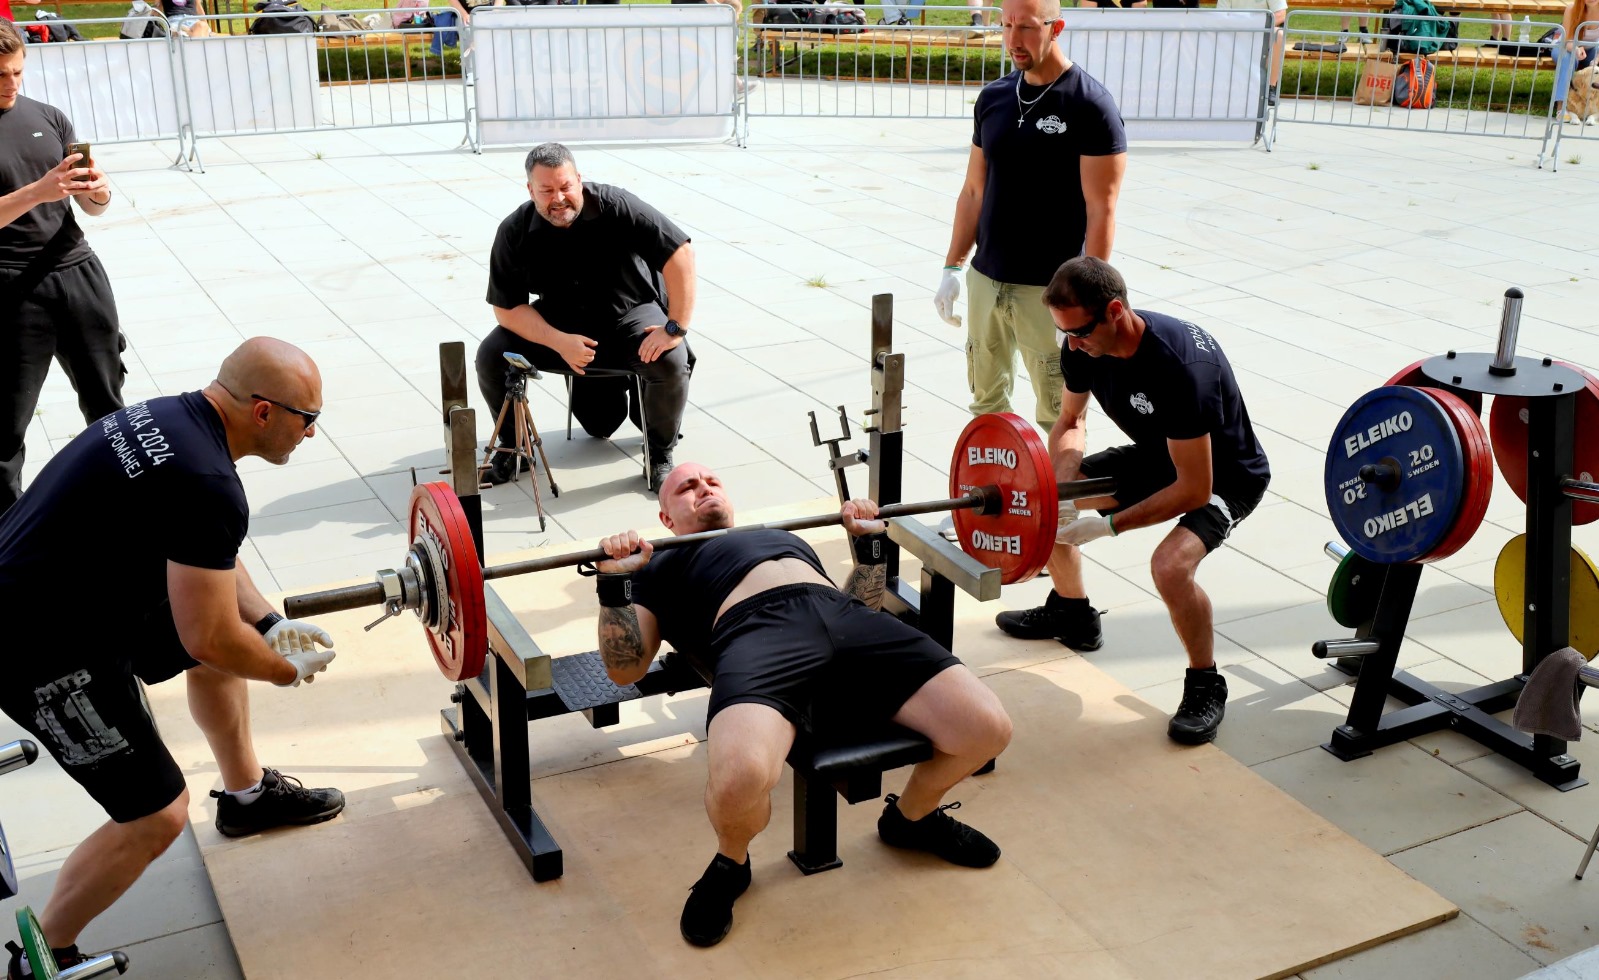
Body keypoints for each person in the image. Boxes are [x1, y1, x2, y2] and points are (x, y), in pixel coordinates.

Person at [0, 338, 345, 980]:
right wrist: (283, 669)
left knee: (225, 641)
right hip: (37, 646)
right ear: (264, 412)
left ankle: (247, 798)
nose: (311, 434)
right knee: (156, 815)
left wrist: (269, 625)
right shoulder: (208, 479)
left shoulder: (172, 420)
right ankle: (45, 953)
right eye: (308, 418)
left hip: (70, 594)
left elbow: (207, 553)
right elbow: (208, 636)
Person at [593, 463, 1013, 947]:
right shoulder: (657, 563)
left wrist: (870, 544)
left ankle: (912, 819)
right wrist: (613, 581)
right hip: (755, 632)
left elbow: (863, 602)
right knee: (738, 779)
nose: (703, 488)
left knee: (988, 727)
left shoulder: (780, 535)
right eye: (687, 487)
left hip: (843, 616)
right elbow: (625, 669)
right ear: (666, 518)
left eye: (711, 481)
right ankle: (731, 862)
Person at [995, 257, 1270, 747]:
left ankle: (1205, 682)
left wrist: (1109, 525)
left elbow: (1193, 489)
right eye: (1063, 332)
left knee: (1170, 566)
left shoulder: (1182, 369)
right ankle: (1072, 614)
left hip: (1224, 476)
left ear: (1116, 312)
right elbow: (1071, 421)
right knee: (1044, 503)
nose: (1071, 344)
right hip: (1157, 454)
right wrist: (1060, 489)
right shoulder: (1081, 345)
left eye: (1079, 332)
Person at [934, 0, 1126, 435]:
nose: (1012, 39)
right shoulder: (994, 98)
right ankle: (990, 482)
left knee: (1061, 415)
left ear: (1056, 27)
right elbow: (973, 191)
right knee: (986, 406)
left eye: (1025, 27)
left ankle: (1063, 486)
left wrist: (1087, 301)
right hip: (987, 281)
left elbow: (1102, 209)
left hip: (1050, 290)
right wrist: (952, 267)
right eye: (1006, 26)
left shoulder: (1090, 104)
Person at [475, 142, 697, 494]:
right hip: (562, 324)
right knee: (492, 354)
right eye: (547, 190)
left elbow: (679, 253)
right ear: (530, 189)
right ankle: (514, 448)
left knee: (671, 358)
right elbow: (507, 307)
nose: (558, 198)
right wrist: (558, 342)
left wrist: (674, 327)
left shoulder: (617, 206)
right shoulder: (515, 230)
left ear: (579, 180)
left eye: (565, 186)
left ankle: (659, 455)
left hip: (629, 312)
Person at [0, 21, 125, 519]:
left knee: (108, 403)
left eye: (17, 72)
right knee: (7, 425)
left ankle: (122, 509)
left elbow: (92, 207)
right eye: (0, 75)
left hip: (78, 272)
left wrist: (99, 191)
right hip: (12, 284)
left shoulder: (48, 116)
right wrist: (39, 191)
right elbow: (41, 193)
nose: (12, 84)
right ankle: (9, 532)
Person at [1216, 0, 1285, 104]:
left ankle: (1271, 87)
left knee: (1279, 35)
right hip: (1235, 32)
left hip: (1263, 31)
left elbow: (1281, 14)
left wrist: (1257, 27)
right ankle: (1222, 86)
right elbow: (1220, 16)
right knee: (1217, 34)